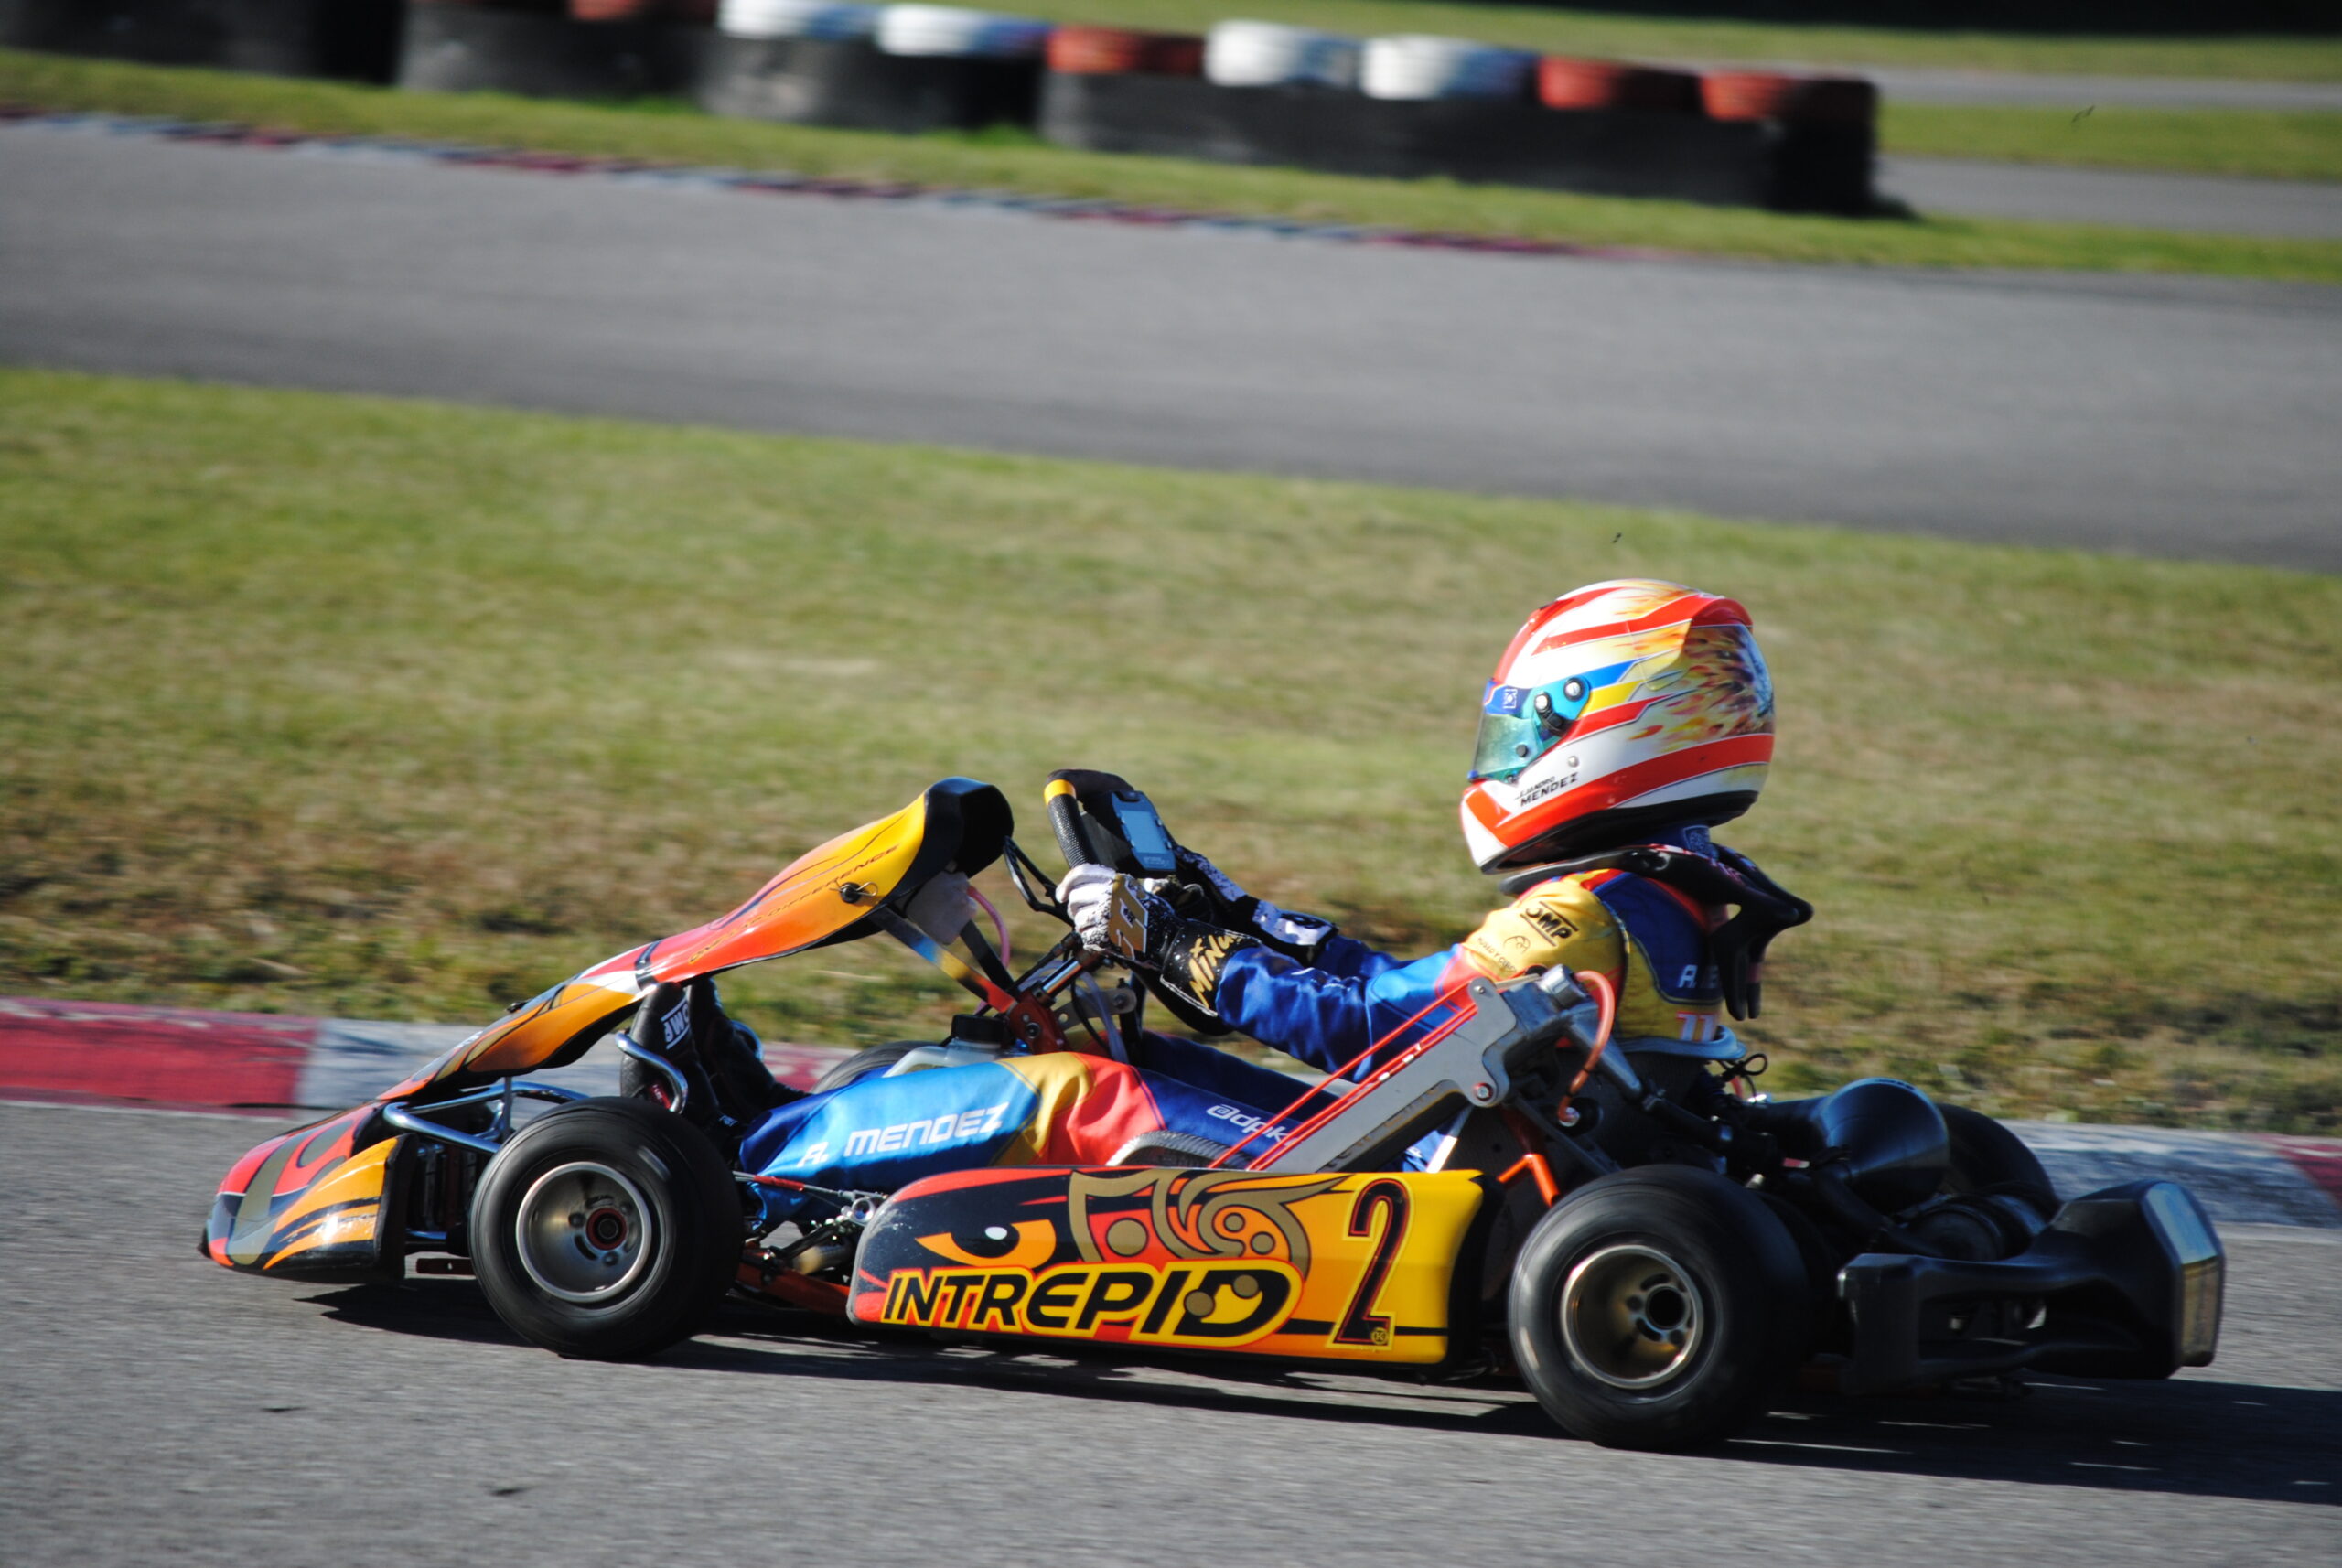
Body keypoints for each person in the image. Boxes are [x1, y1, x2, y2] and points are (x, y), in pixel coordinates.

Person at [736, 578, 1808, 1200]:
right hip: (1473, 1148)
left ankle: (744, 1172)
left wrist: (1172, 945)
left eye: (1526, 727)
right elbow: (1406, 1002)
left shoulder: (1575, 909)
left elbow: (1369, 1036)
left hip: (1412, 1180)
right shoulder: (1672, 888)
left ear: (1609, 724)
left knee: (1076, 1089)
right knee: (1136, 1053)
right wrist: (1232, 910)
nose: (1504, 751)